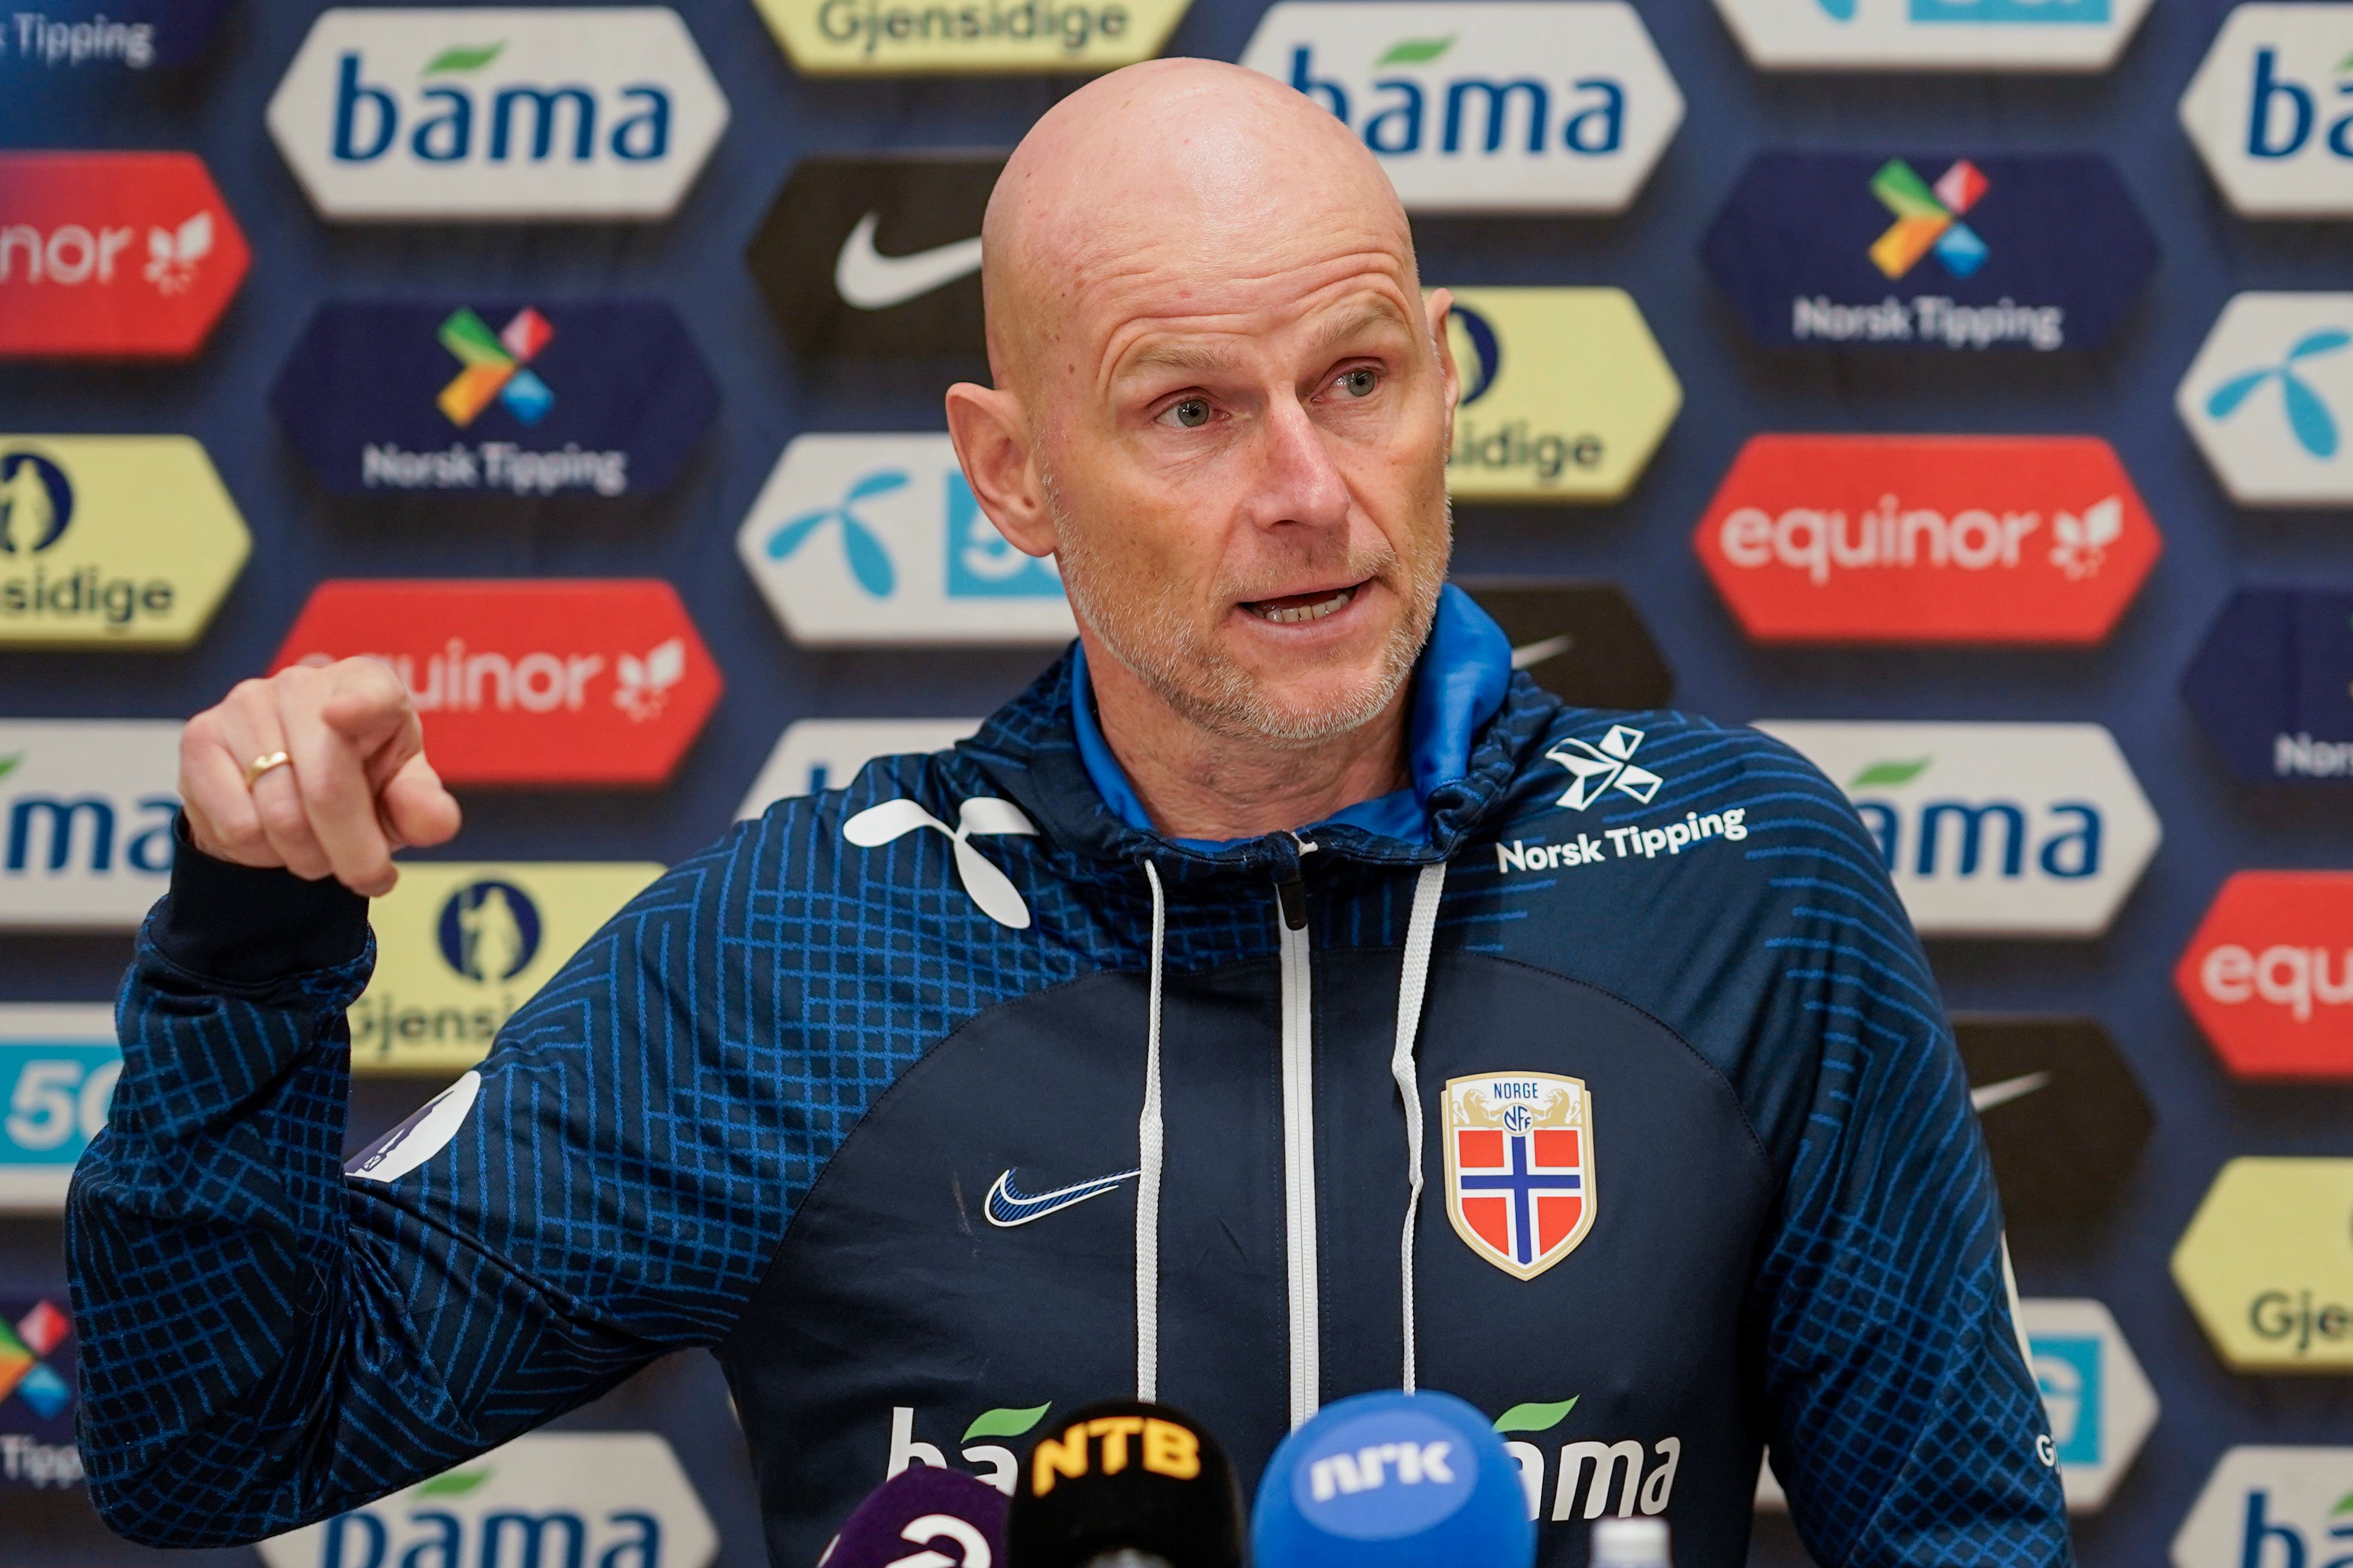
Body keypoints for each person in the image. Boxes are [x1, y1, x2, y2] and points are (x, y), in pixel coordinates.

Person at [65, 59, 2070, 1568]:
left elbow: (1958, 1536)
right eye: (1189, 410)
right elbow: (210, 1439)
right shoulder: (796, 953)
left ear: (1445, 380)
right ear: (1010, 474)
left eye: (1357, 377)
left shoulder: (1738, 875)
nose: (1308, 493)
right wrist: (250, 946)